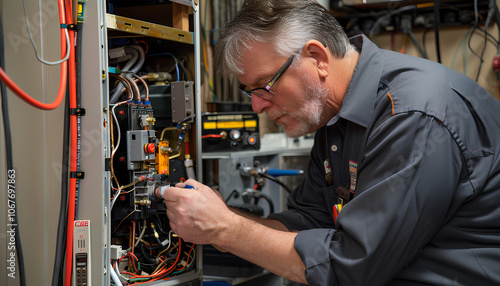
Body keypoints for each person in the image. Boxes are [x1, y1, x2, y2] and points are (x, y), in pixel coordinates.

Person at [163, 0, 500, 285]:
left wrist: (226, 229)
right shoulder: (333, 116)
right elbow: (310, 219)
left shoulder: (413, 115)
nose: (257, 106)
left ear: (317, 58)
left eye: (265, 85)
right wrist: (218, 221)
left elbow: (352, 266)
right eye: (248, 91)